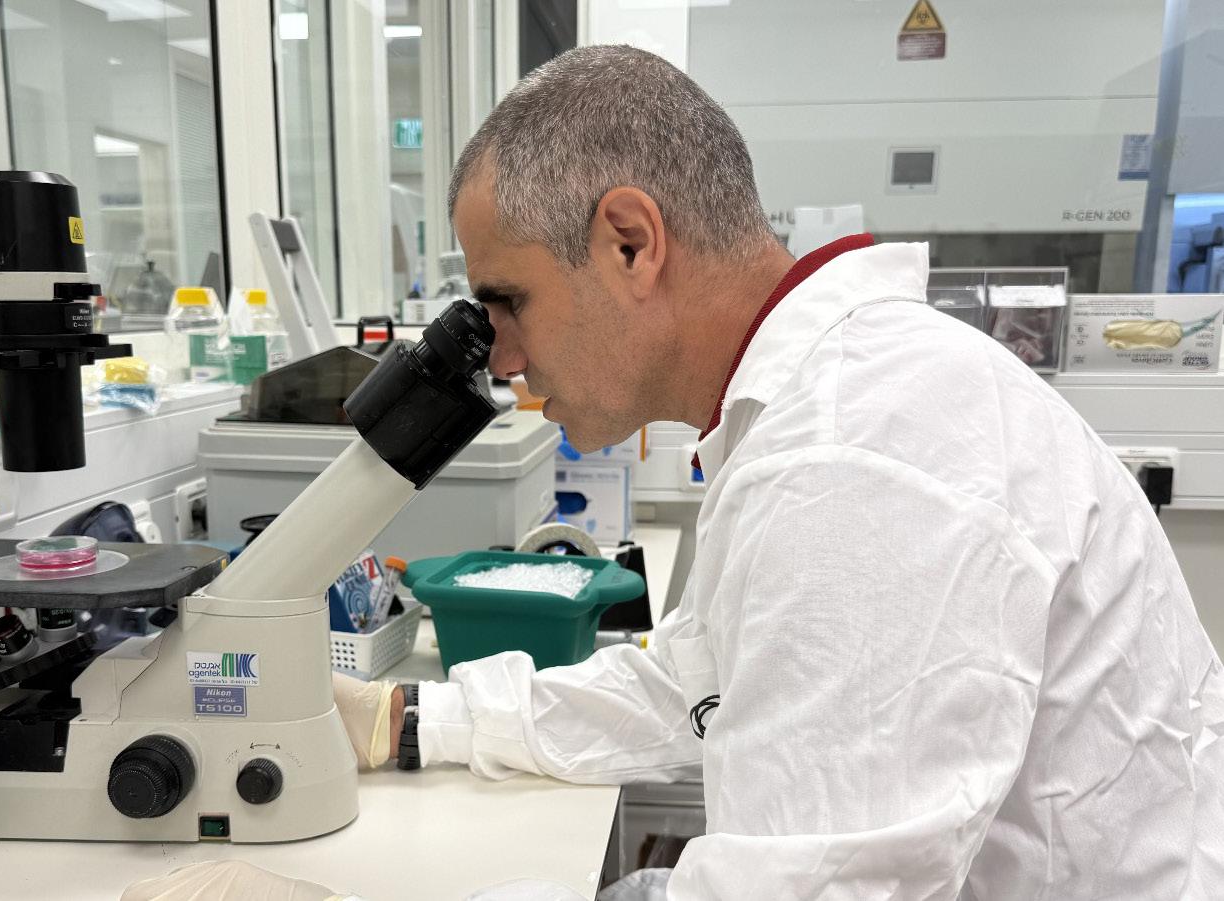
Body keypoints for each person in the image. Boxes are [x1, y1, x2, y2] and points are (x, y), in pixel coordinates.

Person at [130, 45, 1224, 900]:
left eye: (506, 301)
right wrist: (407, 722)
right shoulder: (814, 408)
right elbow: (694, 685)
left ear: (629, 241)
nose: (498, 358)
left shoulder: (854, 456)